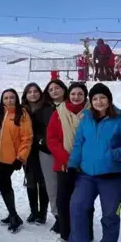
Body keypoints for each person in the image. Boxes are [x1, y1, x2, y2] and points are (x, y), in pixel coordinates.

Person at [65, 83, 121, 242]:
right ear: (90, 101)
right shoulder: (86, 119)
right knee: (77, 207)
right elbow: (79, 144)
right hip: (87, 175)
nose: (99, 102)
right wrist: (72, 165)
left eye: (102, 98)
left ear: (109, 99)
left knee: (110, 215)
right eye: (95, 99)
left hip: (113, 176)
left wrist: (111, 155)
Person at [46, 82, 94, 242]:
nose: (76, 97)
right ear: (68, 95)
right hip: (64, 163)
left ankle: (87, 232)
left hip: (86, 164)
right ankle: (66, 233)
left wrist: (82, 159)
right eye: (73, 94)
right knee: (63, 198)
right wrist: (68, 159)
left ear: (85, 96)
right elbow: (52, 138)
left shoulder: (92, 112)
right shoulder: (59, 112)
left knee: (85, 199)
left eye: (80, 94)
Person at [0, 89, 33, 233]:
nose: (9, 100)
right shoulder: (1, 114)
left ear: (16, 99)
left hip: (12, 158)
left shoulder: (21, 114)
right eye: (6, 98)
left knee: (1, 183)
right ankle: (13, 214)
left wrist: (21, 157)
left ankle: (14, 215)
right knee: (5, 184)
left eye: (12, 97)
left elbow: (27, 137)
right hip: (0, 158)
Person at [21, 82, 55, 225]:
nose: (33, 94)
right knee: (30, 180)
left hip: (43, 148)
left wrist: (41, 140)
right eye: (29, 92)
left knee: (43, 181)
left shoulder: (48, 108)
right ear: (25, 95)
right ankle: (33, 211)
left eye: (35, 91)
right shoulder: (22, 110)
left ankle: (42, 213)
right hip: (28, 150)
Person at [40, 80, 68, 232]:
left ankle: (71, 215)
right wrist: (42, 141)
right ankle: (58, 216)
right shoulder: (45, 109)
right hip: (48, 152)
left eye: (57, 88)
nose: (55, 91)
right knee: (52, 186)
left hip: (70, 152)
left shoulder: (74, 105)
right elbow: (37, 128)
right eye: (51, 89)